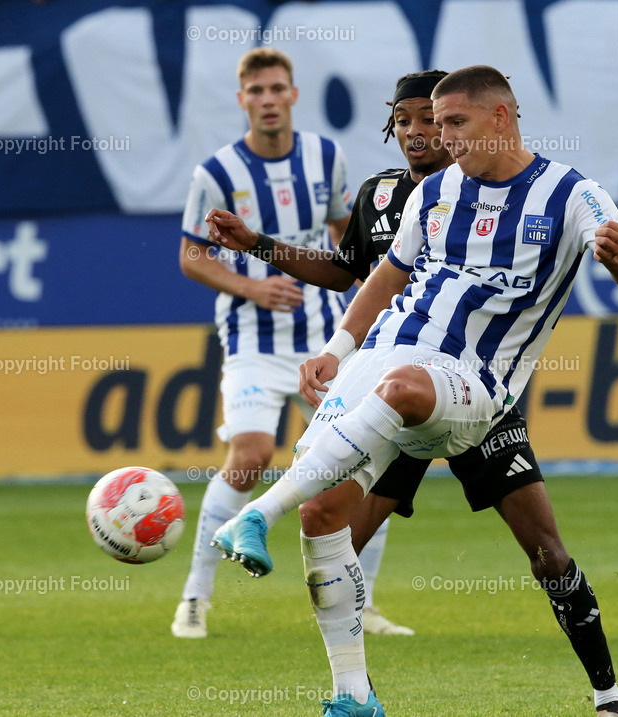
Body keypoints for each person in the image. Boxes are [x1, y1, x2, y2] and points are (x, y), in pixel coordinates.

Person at [210, 65, 618, 716]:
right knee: (323, 517)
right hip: (393, 360)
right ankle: (352, 694)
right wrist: (335, 350)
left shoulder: (570, 194)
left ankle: (609, 697)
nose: (437, 138)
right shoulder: (433, 192)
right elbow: (384, 276)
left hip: (475, 389)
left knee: (545, 551)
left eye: (451, 123)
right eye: (425, 123)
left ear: (500, 117)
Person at [171, 47, 418, 640]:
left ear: (293, 95)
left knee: (365, 460)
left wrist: (370, 303)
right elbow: (191, 255)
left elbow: (347, 242)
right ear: (243, 101)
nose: (268, 99)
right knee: (252, 454)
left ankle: (364, 602)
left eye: (277, 88)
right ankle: (195, 599)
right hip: (254, 340)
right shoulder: (216, 173)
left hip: (323, 337)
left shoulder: (325, 157)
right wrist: (250, 289)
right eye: (256, 91)